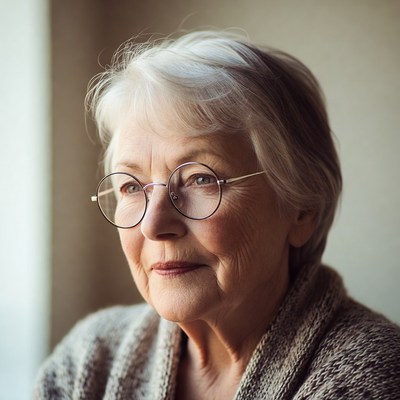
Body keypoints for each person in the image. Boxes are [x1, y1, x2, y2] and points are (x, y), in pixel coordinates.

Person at [33, 30, 400, 399]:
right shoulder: (90, 358)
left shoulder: (372, 374)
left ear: (301, 209)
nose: (153, 225)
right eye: (132, 186)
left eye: (200, 179)